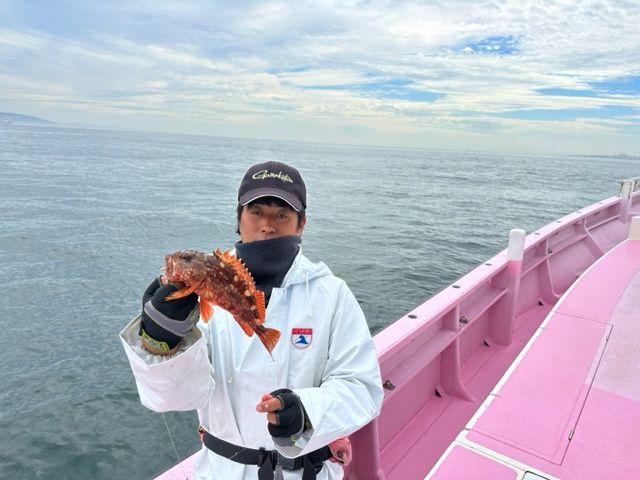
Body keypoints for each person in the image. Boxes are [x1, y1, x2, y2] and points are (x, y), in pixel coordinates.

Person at [120, 161, 383, 480]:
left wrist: (306, 412)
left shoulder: (331, 293)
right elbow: (174, 398)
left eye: (282, 214)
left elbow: (363, 388)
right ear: (239, 217)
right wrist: (161, 341)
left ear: (301, 223)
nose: (267, 225)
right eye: (256, 212)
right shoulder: (202, 297)